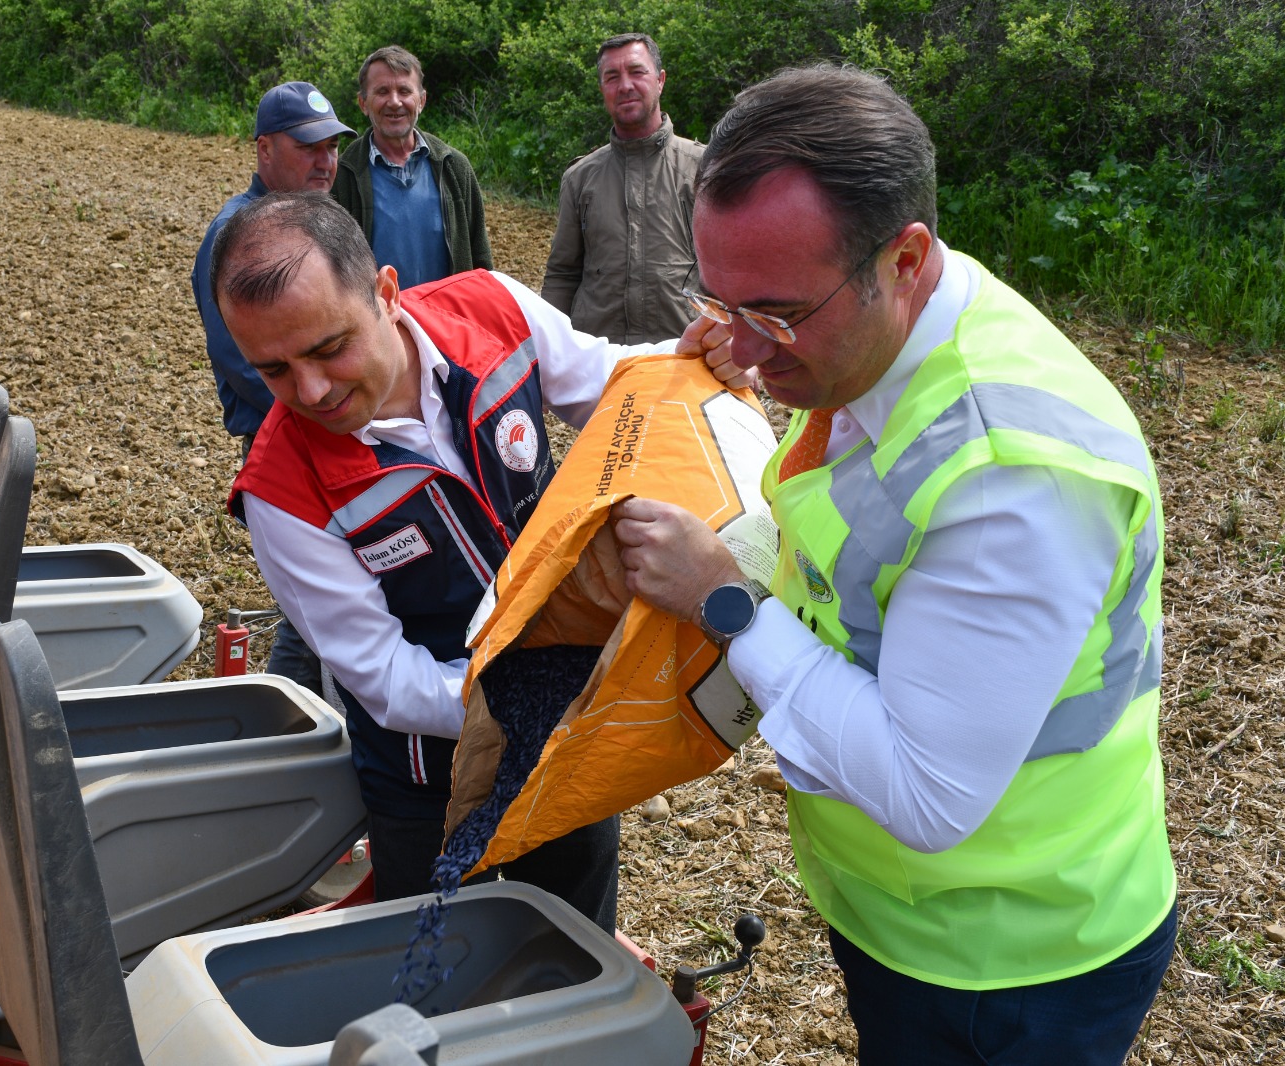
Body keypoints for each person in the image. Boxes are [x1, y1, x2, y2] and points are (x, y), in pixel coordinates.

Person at [611, 64, 1176, 1065]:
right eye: (722, 299)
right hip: (908, 916)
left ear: (905, 257)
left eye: (775, 311)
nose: (743, 344)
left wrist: (726, 605)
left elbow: (924, 792)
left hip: (1006, 958)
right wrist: (761, 338)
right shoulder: (891, 329)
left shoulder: (1012, 479)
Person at [213, 192, 744, 927]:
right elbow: (389, 681)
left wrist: (692, 356)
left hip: (564, 749)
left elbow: (613, 381)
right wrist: (529, 705)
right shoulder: (281, 491)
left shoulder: (491, 309)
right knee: (437, 981)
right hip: (428, 783)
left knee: (572, 943)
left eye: (329, 347)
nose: (311, 391)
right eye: (272, 371)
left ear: (387, 293)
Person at [191, 81, 352, 695]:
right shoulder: (240, 238)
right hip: (288, 442)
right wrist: (340, 416)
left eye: (332, 146)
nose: (326, 160)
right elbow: (247, 366)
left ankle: (292, 730)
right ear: (263, 150)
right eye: (308, 146)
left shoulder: (303, 222)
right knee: (314, 602)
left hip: (324, 433)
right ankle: (285, 733)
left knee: (323, 600)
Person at [541, 33, 704, 344]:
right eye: (612, 77)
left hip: (684, 358)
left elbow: (733, 276)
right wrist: (548, 352)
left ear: (660, 80)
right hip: (600, 362)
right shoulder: (579, 177)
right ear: (603, 89)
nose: (625, 85)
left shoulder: (705, 169)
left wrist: (738, 351)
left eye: (637, 72)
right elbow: (562, 275)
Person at [330, 46, 492, 287]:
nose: (394, 102)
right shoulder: (342, 175)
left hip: (444, 319)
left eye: (404, 91)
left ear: (421, 101)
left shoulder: (454, 168)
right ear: (363, 103)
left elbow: (481, 261)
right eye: (382, 91)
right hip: (379, 321)